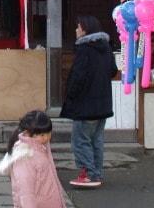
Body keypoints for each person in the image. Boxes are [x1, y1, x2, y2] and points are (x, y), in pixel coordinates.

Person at [61, 15, 118, 188]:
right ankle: (97, 173)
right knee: (96, 140)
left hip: (86, 104)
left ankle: (89, 175)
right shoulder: (106, 47)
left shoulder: (85, 49)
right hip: (103, 103)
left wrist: (70, 94)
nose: (76, 30)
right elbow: (113, 71)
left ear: (85, 29)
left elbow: (78, 77)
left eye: (78, 27)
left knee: (81, 140)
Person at [0, 110, 66, 208]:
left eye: (48, 133)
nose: (46, 138)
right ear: (28, 132)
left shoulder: (42, 147)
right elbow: (25, 192)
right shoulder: (25, 155)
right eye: (42, 135)